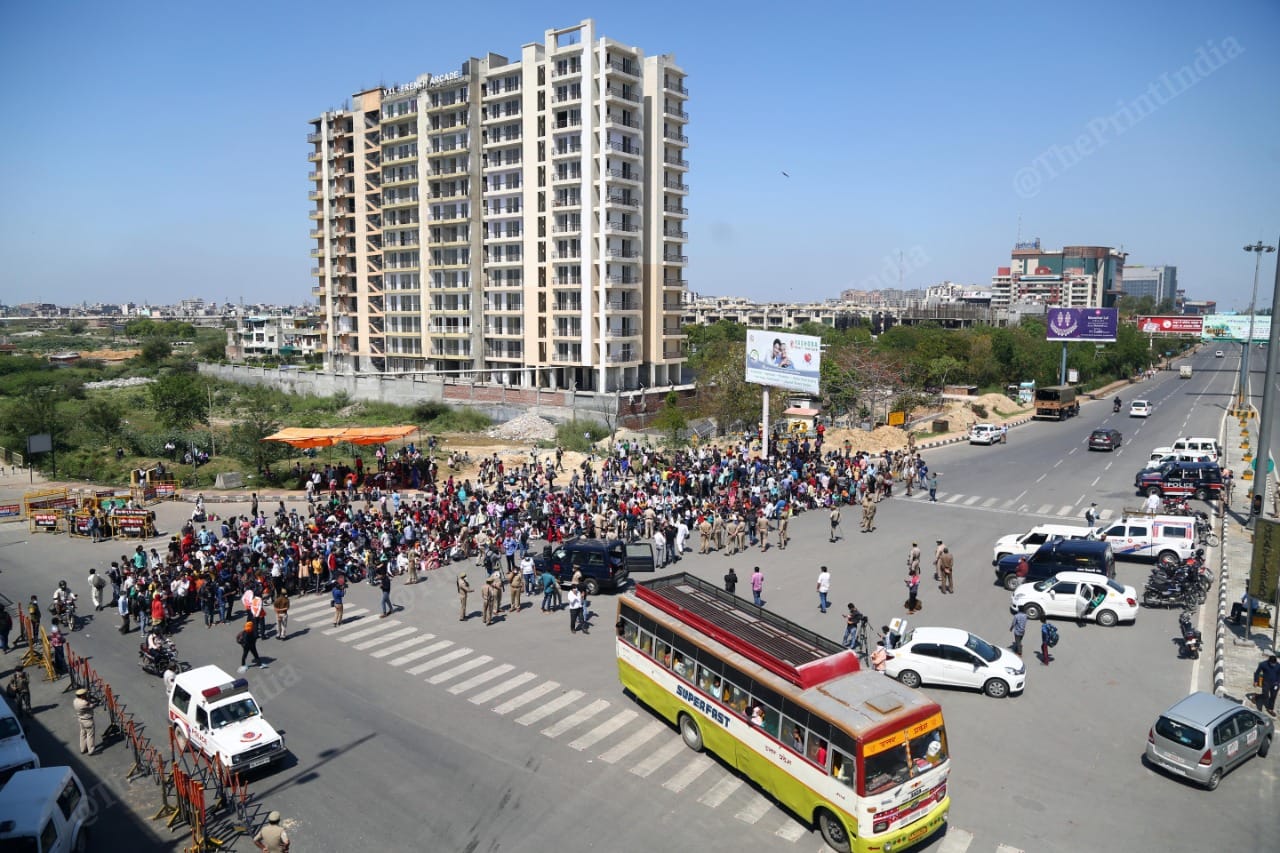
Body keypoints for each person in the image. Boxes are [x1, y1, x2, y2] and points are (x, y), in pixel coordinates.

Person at [73, 688, 97, 755]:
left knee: (82, 734)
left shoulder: (75, 701)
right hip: (88, 720)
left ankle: (83, 749)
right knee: (90, 735)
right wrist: (95, 702)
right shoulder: (84, 703)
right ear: (82, 696)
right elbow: (92, 706)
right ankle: (91, 750)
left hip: (81, 719)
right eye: (85, 694)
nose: (86, 695)